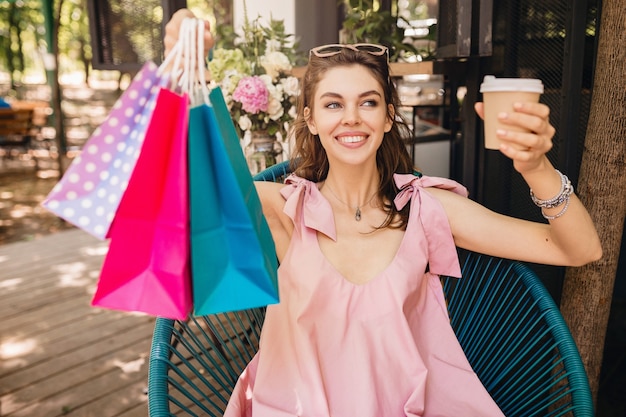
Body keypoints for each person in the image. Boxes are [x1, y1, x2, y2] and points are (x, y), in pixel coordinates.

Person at [165, 10, 602, 416]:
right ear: (311, 120)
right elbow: (183, 198)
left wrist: (535, 167)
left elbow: (577, 249)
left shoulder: (426, 209)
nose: (352, 118)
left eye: (368, 102)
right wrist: (187, 73)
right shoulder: (282, 210)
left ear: (389, 116)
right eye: (333, 104)